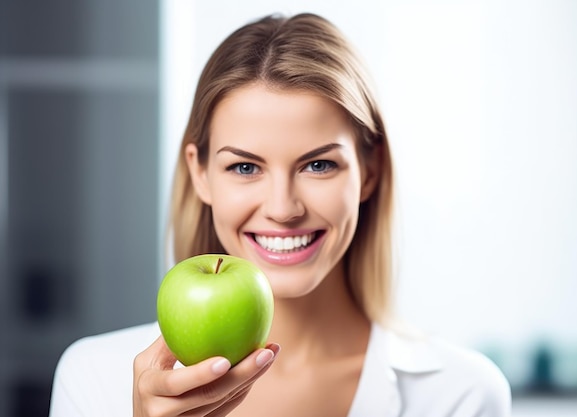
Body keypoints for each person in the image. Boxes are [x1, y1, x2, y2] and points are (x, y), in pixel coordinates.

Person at [49, 12, 511, 417]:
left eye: (318, 164)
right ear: (201, 173)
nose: (283, 208)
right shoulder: (93, 379)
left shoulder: (461, 395)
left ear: (370, 172)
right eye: (245, 167)